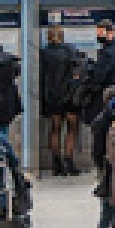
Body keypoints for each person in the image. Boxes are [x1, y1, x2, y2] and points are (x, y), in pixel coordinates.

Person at [38, 26, 81, 176]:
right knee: (71, 129)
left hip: (53, 97)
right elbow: (77, 72)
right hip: (70, 96)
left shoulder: (44, 53)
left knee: (55, 129)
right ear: (62, 36)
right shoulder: (70, 50)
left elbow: (42, 77)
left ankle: (57, 164)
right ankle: (69, 161)